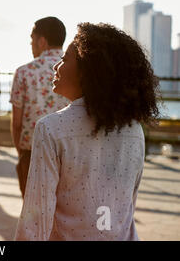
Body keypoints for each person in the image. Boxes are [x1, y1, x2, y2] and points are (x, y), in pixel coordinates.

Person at [15, 23, 160, 240]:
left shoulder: (51, 128)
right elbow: (125, 211)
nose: (56, 66)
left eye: (65, 59)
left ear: (88, 70)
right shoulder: (134, 130)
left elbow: (36, 220)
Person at [10, 17, 69, 198]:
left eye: (31, 39)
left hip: (32, 152)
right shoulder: (77, 70)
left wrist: (21, 154)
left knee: (32, 216)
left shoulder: (24, 72)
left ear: (42, 41)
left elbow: (17, 123)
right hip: (68, 153)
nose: (30, 44)